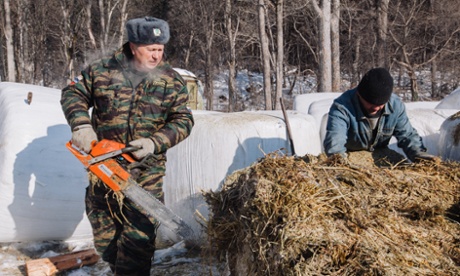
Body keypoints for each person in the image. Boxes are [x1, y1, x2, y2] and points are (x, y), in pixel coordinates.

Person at [60, 16, 194, 275]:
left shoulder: (170, 80)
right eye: (150, 49)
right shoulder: (101, 70)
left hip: (146, 173)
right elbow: (72, 93)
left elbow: (183, 119)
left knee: (138, 245)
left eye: (160, 49)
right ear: (133, 46)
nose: (157, 55)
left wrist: (154, 142)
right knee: (106, 243)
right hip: (103, 170)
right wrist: (81, 125)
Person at [323, 67, 438, 163]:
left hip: (381, 155)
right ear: (359, 94)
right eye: (371, 104)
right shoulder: (342, 107)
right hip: (350, 156)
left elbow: (407, 135)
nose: (376, 108)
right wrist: (338, 161)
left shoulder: (395, 105)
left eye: (381, 104)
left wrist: (419, 154)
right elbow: (335, 140)